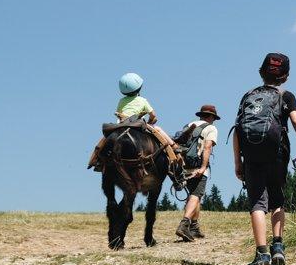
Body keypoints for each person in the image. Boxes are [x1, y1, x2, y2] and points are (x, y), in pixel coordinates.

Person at [233, 53, 296, 265]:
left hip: (251, 154)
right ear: (285, 76)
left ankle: (262, 255)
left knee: (258, 203)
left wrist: (237, 163)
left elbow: (237, 131)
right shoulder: (286, 95)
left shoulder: (248, 96)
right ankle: (278, 247)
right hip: (277, 153)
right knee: (277, 200)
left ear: (261, 71)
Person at [88, 72, 179, 171]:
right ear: (139, 88)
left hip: (121, 125)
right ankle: (174, 148)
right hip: (137, 124)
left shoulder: (121, 101)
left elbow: (119, 113)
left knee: (105, 139)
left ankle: (96, 161)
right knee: (158, 130)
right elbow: (153, 115)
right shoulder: (143, 100)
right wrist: (151, 122)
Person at [175, 104, 220, 241]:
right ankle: (184, 224)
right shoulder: (211, 128)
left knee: (193, 195)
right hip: (197, 166)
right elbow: (207, 148)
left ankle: (194, 228)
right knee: (196, 194)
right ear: (211, 117)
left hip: (183, 165)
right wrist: (203, 167)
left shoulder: (188, 125)